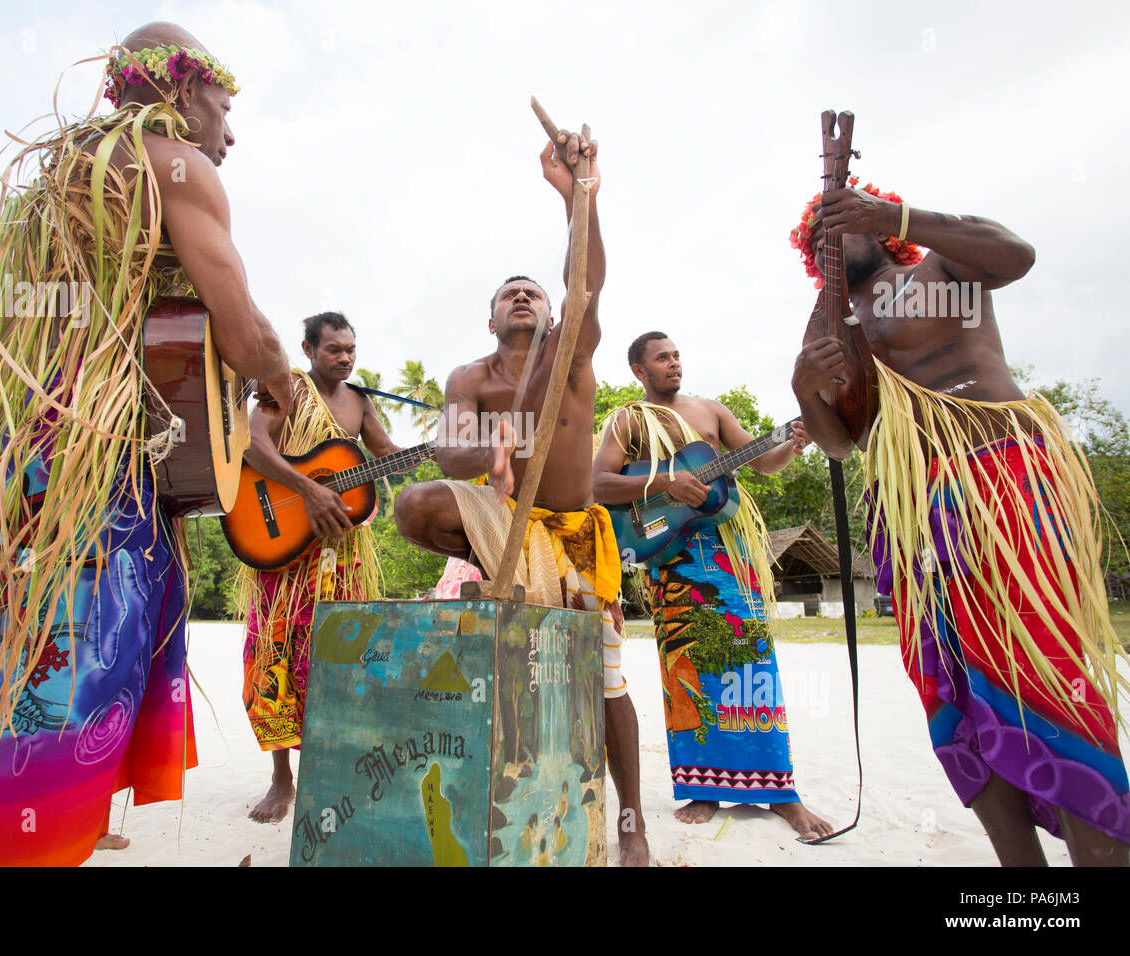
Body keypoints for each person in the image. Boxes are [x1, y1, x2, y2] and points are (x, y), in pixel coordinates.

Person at [0, 22, 293, 867]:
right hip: (91, 447)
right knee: (83, 650)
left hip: (8, 438)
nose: (230, 134)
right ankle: (14, 842)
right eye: (223, 110)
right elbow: (243, 332)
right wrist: (282, 378)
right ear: (183, 95)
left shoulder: (55, 177)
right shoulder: (172, 165)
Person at [790, 179, 1130, 865]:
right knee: (951, 691)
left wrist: (900, 214)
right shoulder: (828, 325)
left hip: (999, 475)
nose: (830, 238)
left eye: (842, 224)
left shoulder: (940, 268)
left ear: (880, 229)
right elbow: (838, 444)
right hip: (910, 511)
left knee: (1037, 661)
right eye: (816, 235)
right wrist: (805, 386)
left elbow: (1017, 255)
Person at [394, 130, 650, 866]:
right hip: (502, 523)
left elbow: (587, 284)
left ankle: (632, 826)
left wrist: (578, 194)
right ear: (490, 318)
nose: (522, 297)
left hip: (570, 537)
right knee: (415, 505)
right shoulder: (470, 377)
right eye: (509, 293)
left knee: (604, 680)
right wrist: (492, 451)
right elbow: (447, 450)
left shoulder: (571, 351)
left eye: (532, 291)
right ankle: (470, 796)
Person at [593, 332, 833, 840]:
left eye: (676, 355)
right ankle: (703, 787)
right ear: (639, 370)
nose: (674, 363)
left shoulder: (711, 411)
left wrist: (790, 441)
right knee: (685, 672)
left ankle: (779, 793)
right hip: (673, 561)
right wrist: (663, 484)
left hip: (729, 555)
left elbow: (762, 462)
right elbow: (596, 483)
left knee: (752, 665)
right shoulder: (629, 420)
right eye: (662, 358)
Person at [239, 311, 402, 824]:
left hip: (342, 557)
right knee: (273, 659)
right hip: (283, 548)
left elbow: (389, 456)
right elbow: (252, 442)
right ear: (308, 349)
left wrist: (449, 452)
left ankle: (329, 768)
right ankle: (281, 778)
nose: (347, 357)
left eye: (352, 349)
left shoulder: (361, 402)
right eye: (335, 349)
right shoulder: (283, 386)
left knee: (338, 659)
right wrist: (308, 489)